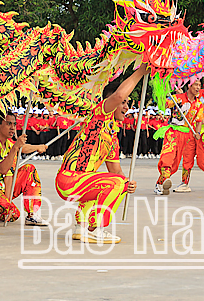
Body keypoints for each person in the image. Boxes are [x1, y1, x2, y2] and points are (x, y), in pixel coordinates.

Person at [56, 65, 144, 245]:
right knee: (116, 183)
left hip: (81, 182)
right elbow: (118, 95)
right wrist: (142, 70)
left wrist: (128, 183)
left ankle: (82, 228)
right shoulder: (99, 116)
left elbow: (115, 172)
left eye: (128, 103)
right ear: (111, 102)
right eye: (124, 103)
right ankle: (98, 228)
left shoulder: (112, 136)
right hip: (69, 179)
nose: (126, 107)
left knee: (120, 182)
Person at [153, 79, 200, 195]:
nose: (198, 87)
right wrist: (163, 92)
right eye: (196, 84)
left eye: (199, 85)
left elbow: (199, 121)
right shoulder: (177, 98)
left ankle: (160, 183)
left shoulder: (199, 104)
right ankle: (162, 183)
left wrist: (197, 133)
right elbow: (163, 104)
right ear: (189, 85)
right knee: (168, 157)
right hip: (173, 132)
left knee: (177, 162)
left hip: (187, 134)